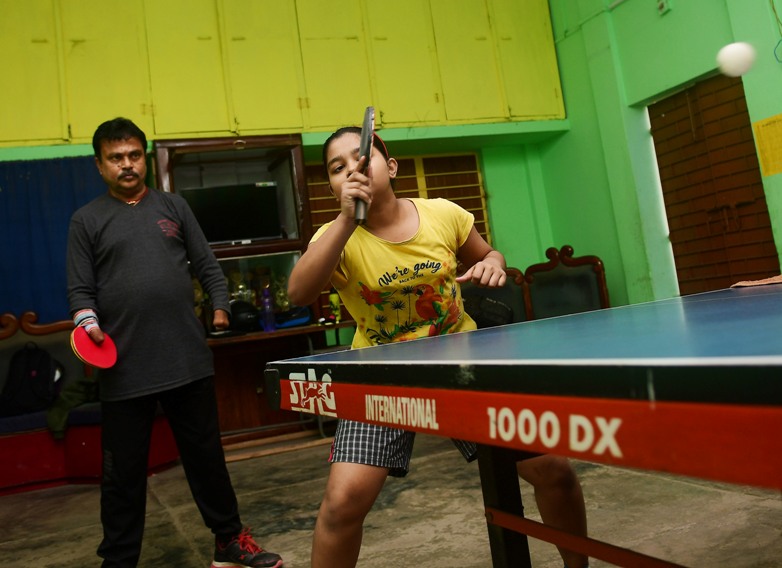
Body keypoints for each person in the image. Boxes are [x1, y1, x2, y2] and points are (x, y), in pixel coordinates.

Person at [287, 126, 589, 568]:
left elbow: (490, 255)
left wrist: (490, 265)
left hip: (462, 364)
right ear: (332, 185)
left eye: (361, 157)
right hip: (381, 375)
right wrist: (346, 220)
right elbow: (298, 292)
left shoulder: (442, 214)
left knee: (554, 471)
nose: (352, 168)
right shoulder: (335, 238)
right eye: (338, 167)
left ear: (389, 167)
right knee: (343, 503)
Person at [66, 117, 284, 568]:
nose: (126, 165)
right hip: (125, 368)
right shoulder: (85, 220)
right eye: (115, 158)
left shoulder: (174, 207)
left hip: (186, 357)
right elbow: (80, 291)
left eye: (133, 155)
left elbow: (207, 265)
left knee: (207, 459)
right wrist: (88, 324)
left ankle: (228, 542)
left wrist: (220, 305)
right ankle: (119, 560)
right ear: (99, 165)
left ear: (143, 158)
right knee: (122, 475)